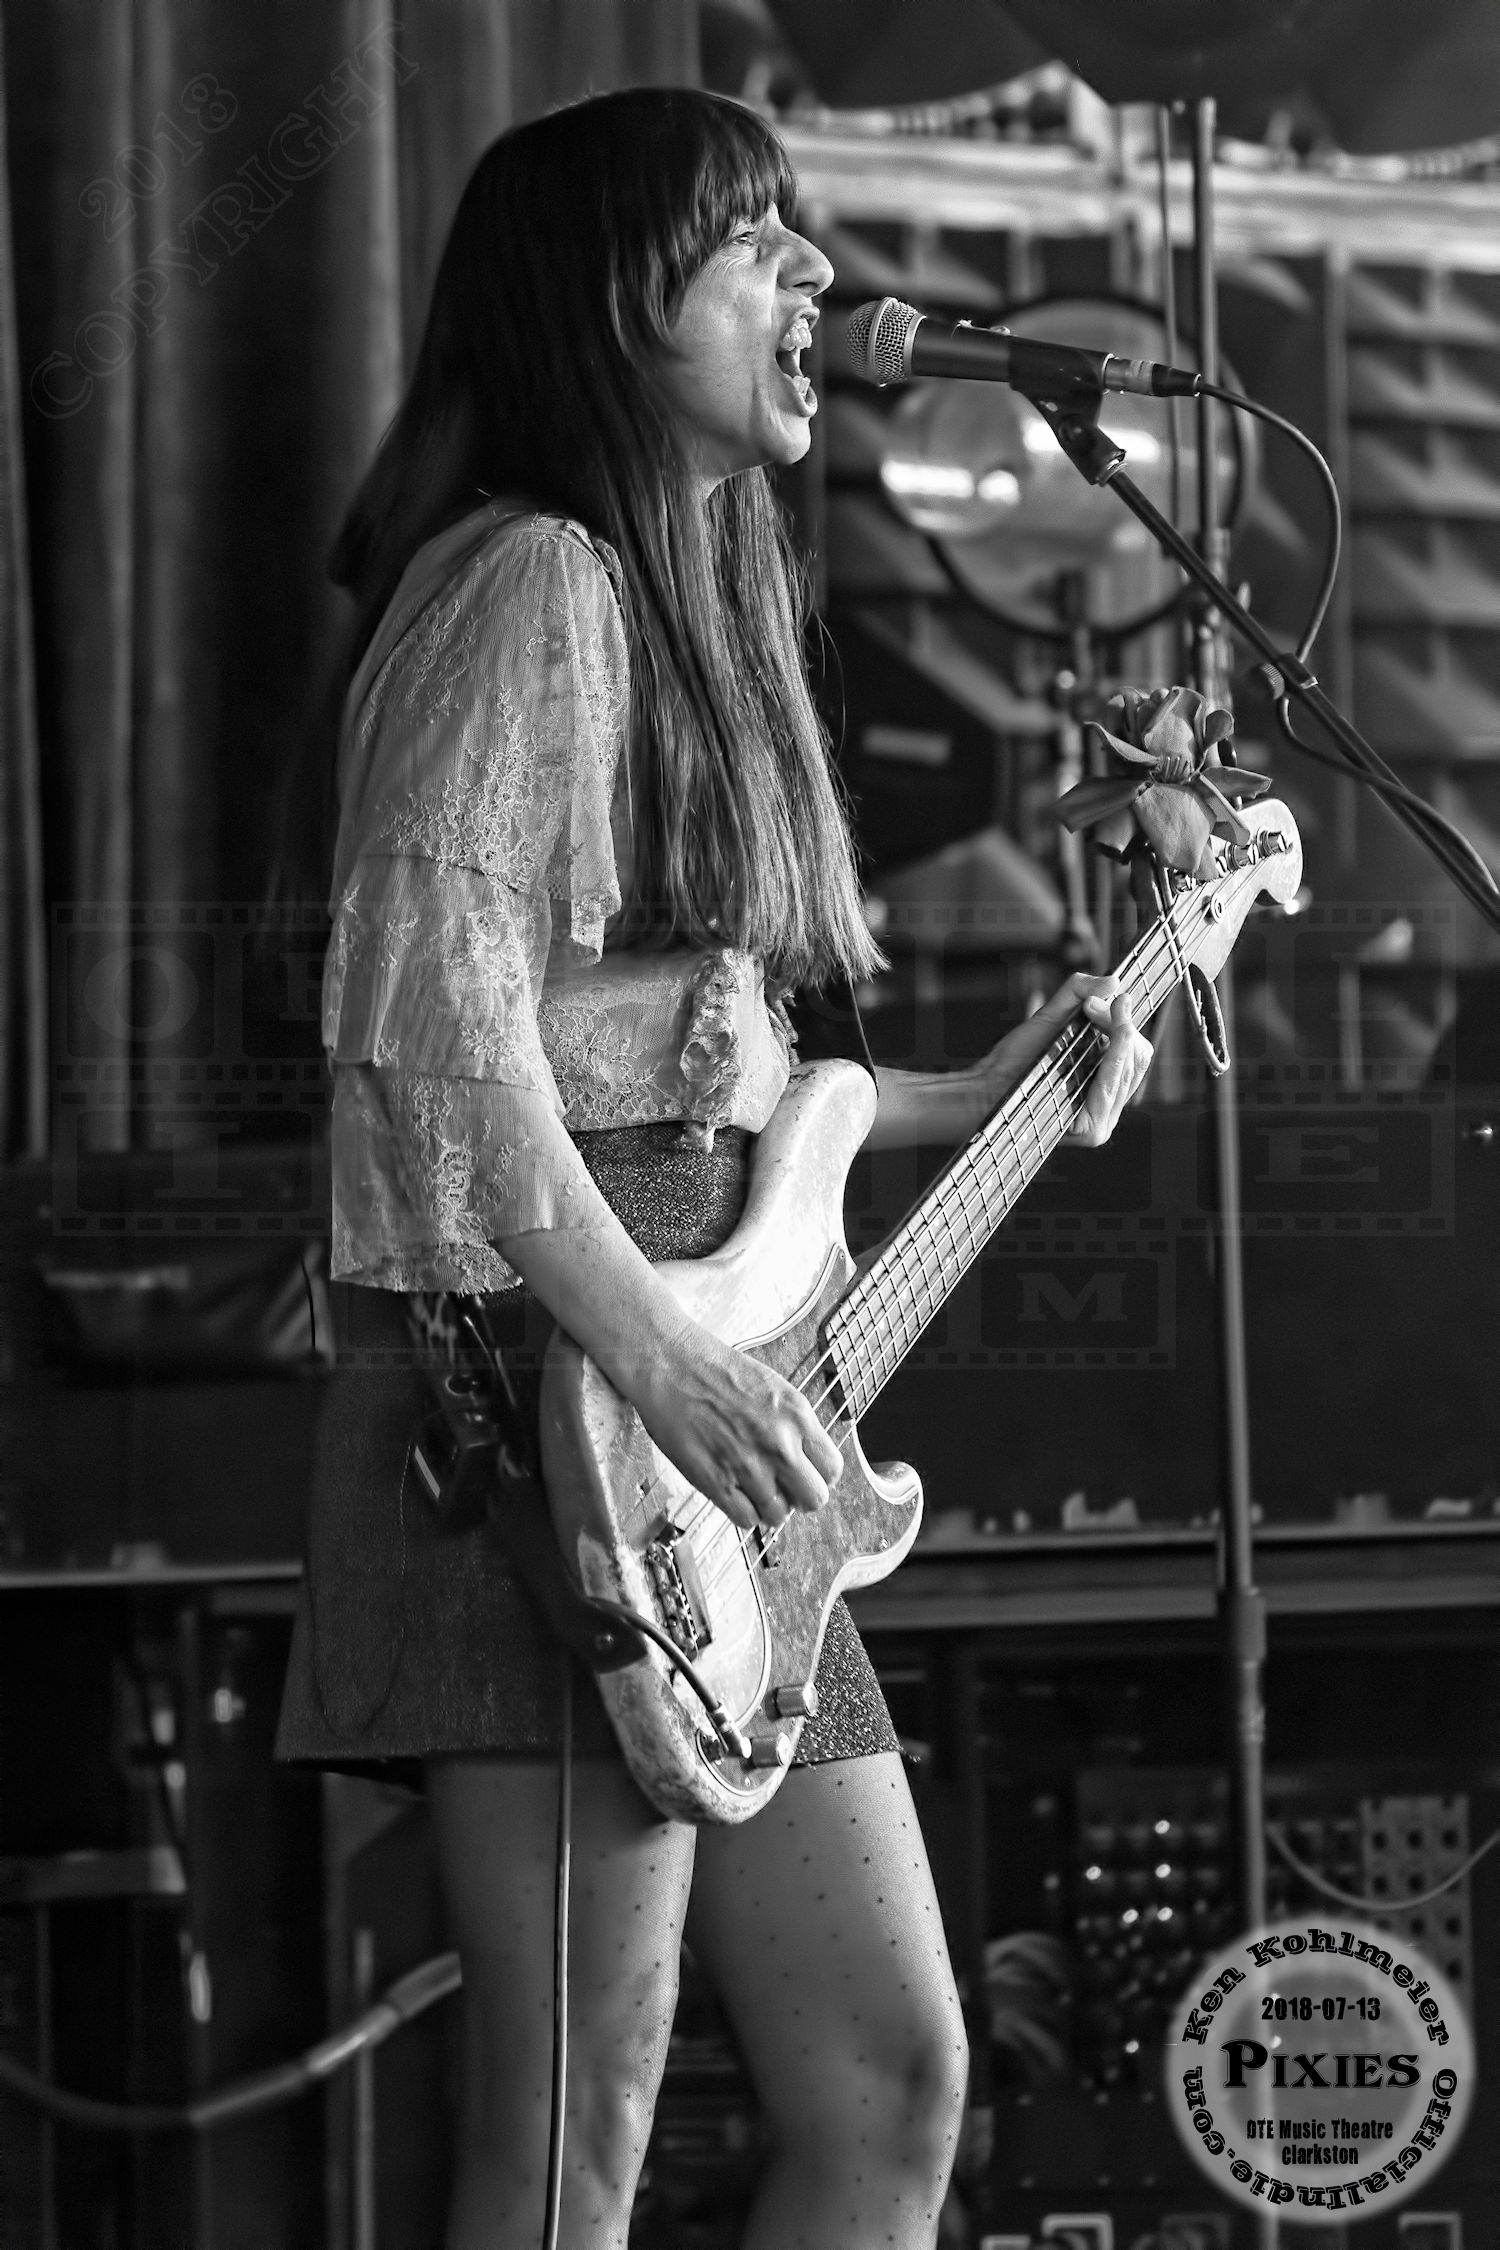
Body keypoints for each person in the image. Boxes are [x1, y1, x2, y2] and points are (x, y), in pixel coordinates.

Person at [276, 87, 1152, 2250]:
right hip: (540, 1403)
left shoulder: (681, 608)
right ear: (606, 301)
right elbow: (438, 1033)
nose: (815, 276)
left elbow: (699, 1077)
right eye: (751, 238)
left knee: (892, 2079)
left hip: (722, 1438)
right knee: (575, 2132)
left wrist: (994, 1083)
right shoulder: (528, 581)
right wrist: (660, 1361)